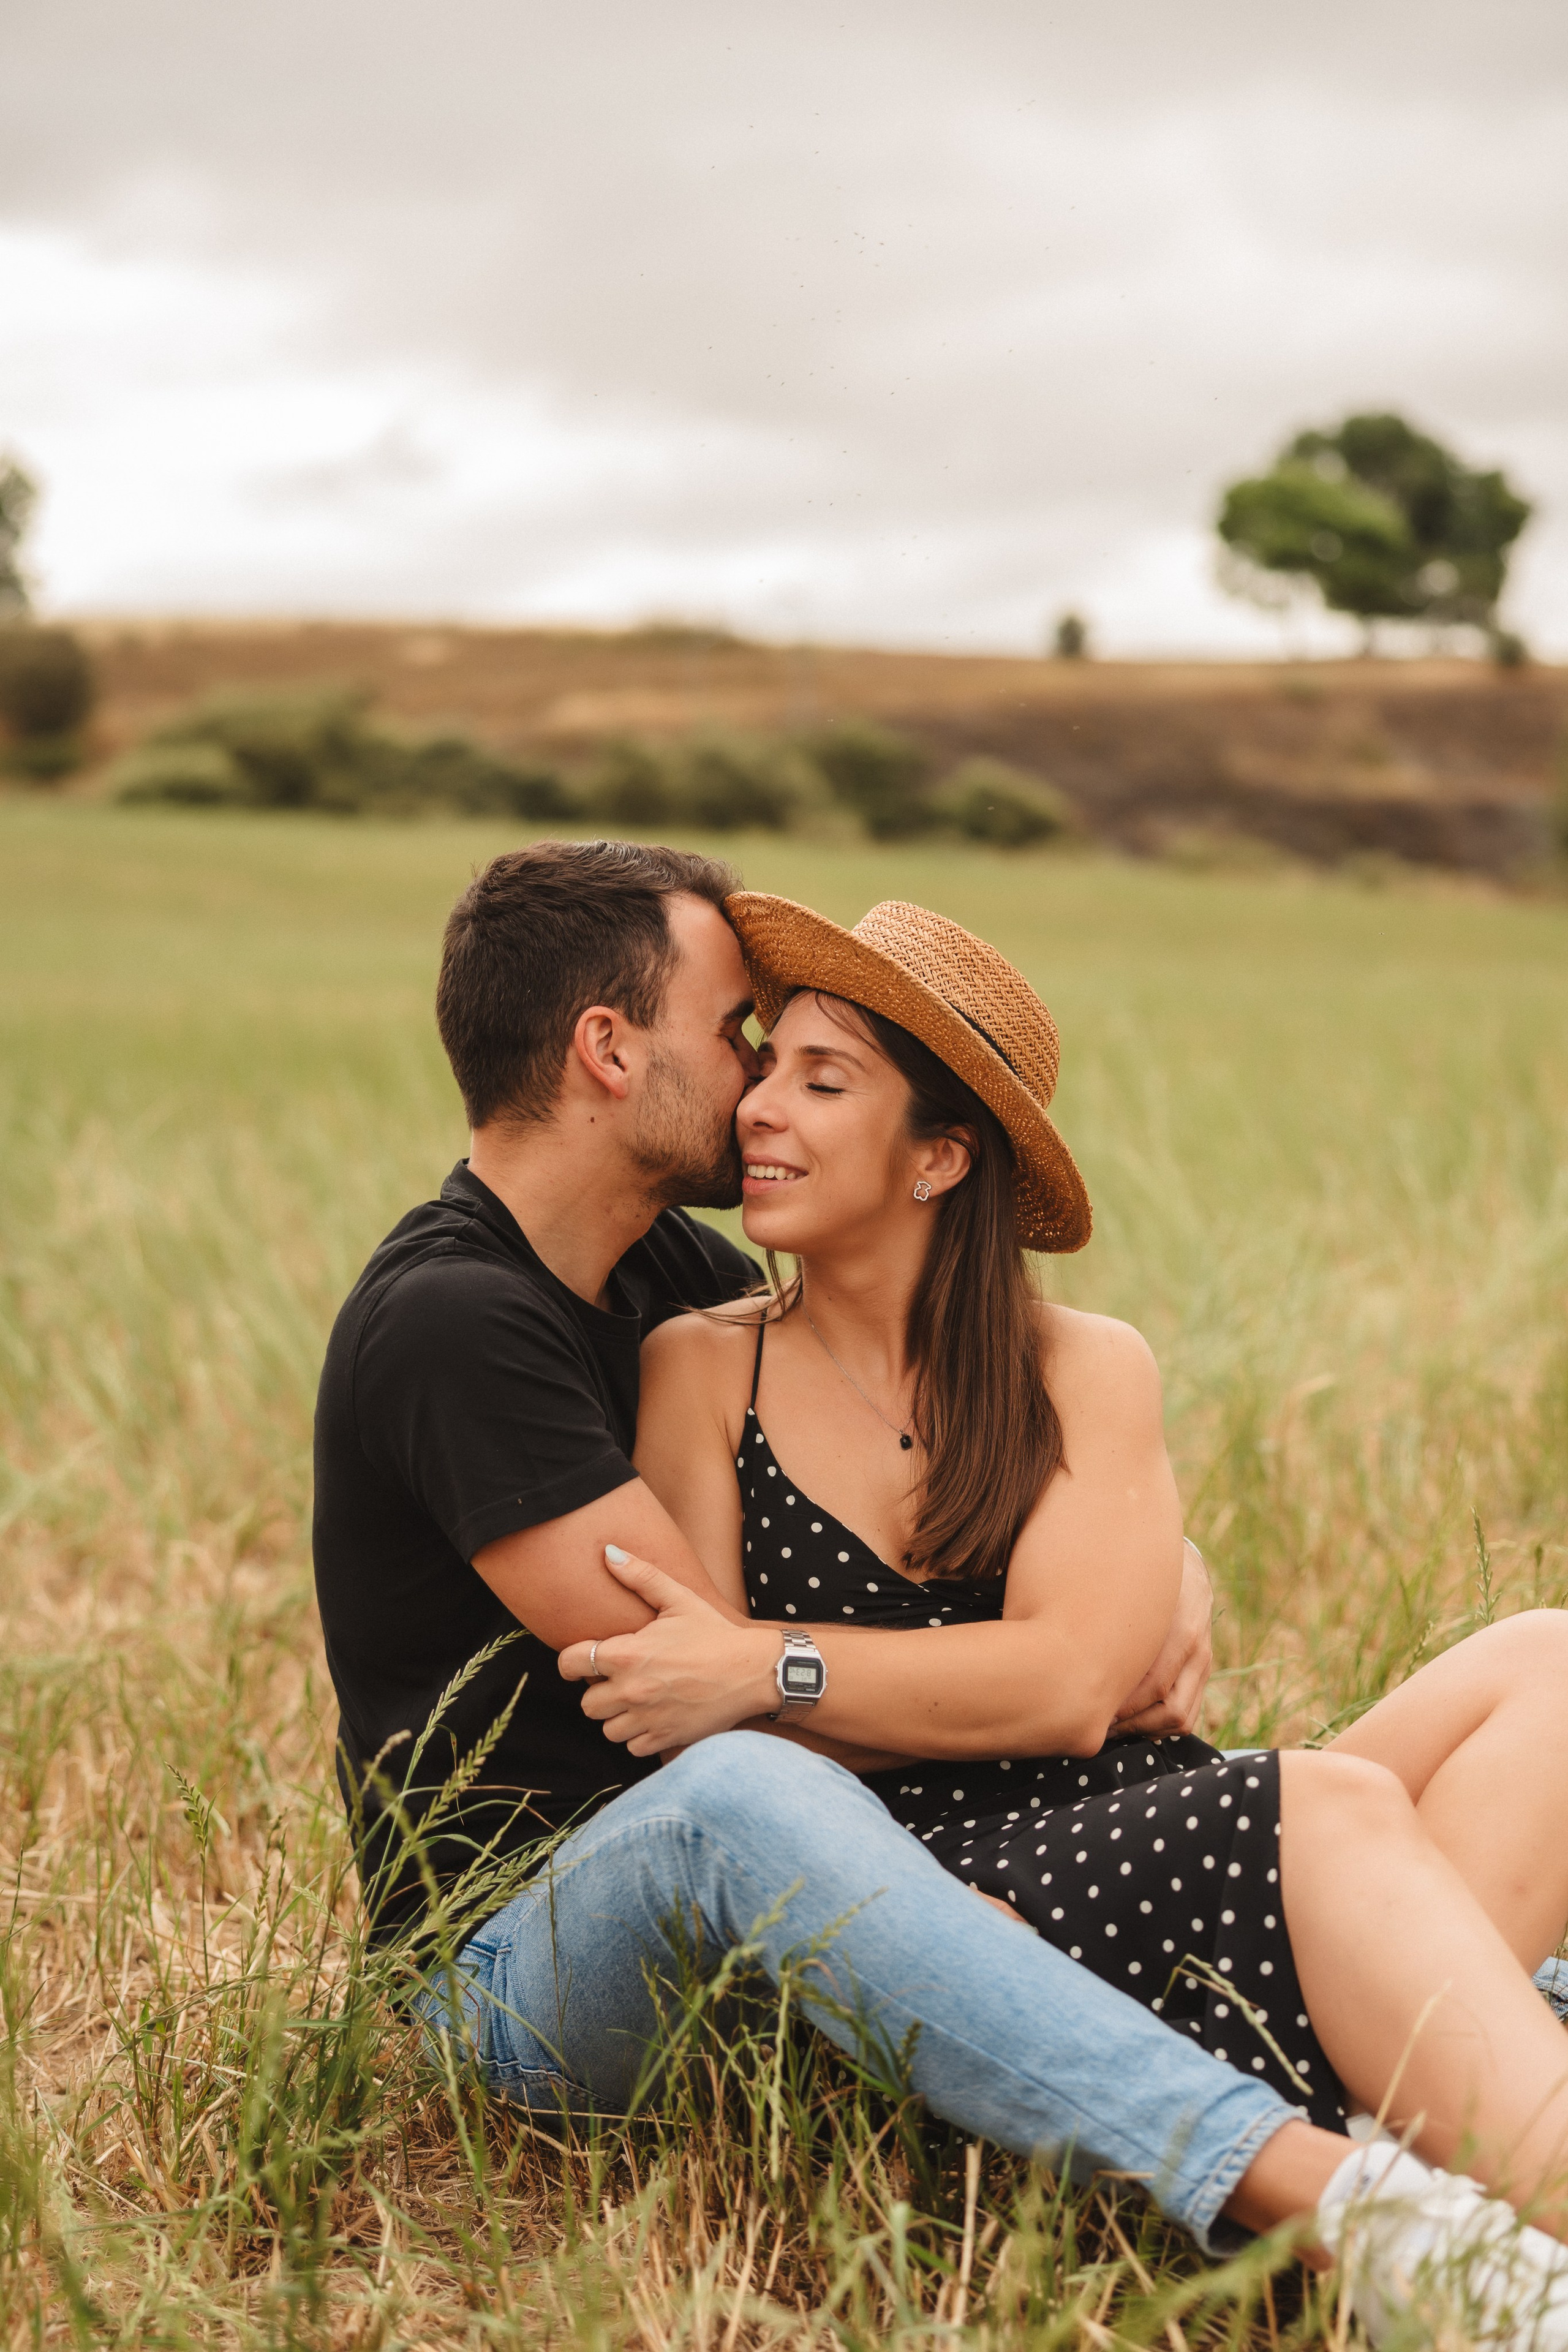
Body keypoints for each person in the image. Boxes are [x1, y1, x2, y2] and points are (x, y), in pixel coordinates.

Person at [312, 843, 1568, 2346]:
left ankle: (1408, 2119)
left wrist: (1155, 1569)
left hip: (908, 1841)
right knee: (764, 1798)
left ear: (936, 1153)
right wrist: (1052, 1664)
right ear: (605, 1048)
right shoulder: (472, 1321)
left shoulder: (659, 1270)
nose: (758, 1093)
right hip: (556, 1939)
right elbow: (699, 1692)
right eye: (740, 1041)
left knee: (1541, 1668)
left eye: (803, 1071)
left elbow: (909, 1591)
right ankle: (1345, 2199)